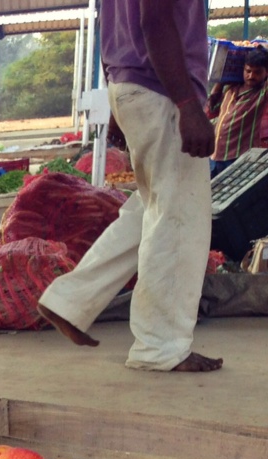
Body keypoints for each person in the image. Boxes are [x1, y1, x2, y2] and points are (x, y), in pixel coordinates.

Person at [37, 0, 221, 373]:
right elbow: (155, 21)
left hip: (132, 84)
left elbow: (112, 27)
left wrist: (115, 92)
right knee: (178, 216)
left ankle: (71, 301)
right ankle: (161, 346)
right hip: (163, 91)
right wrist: (187, 104)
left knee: (149, 209)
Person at [208, 47, 268, 177]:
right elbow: (212, 108)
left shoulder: (261, 93)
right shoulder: (231, 89)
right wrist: (221, 81)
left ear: (266, 73)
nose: (251, 76)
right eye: (248, 71)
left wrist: (262, 48)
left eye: (257, 72)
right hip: (215, 155)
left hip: (238, 157)